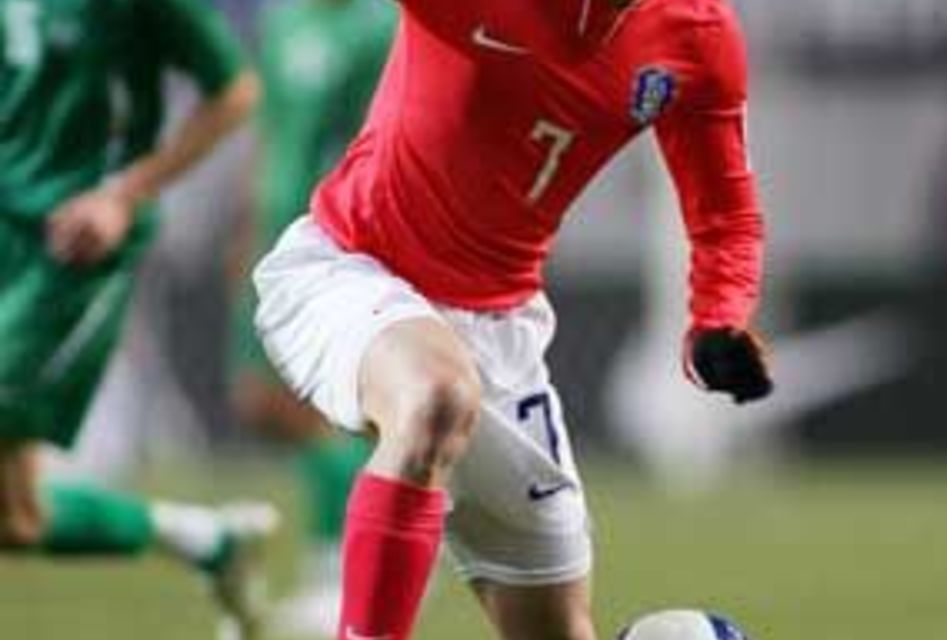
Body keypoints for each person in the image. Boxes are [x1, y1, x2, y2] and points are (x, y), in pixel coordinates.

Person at [253, 0, 773, 638]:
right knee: (435, 396)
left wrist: (717, 321)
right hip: (350, 267)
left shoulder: (696, 34)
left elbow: (726, 215)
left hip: (500, 333)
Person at [0, 1, 275, 638]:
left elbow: (235, 91)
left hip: (71, 249)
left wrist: (124, 194)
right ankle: (209, 540)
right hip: (6, 231)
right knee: (16, 520)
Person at [231, 0, 395, 634]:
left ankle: (341, 574)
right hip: (275, 228)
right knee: (265, 402)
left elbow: (393, 133)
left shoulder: (383, 25)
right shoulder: (287, 19)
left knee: (327, 410)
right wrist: (250, 220)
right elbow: (271, 129)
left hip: (338, 234)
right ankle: (382, 537)